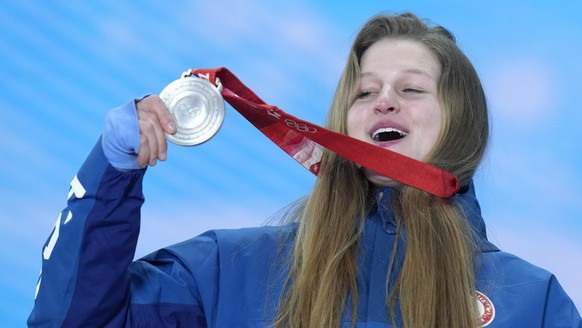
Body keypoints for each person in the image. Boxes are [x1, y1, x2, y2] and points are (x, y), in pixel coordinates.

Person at [28, 12, 581, 328]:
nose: (384, 101)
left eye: (411, 89)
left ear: (462, 123)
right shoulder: (230, 269)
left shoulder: (530, 301)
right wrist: (110, 174)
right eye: (365, 92)